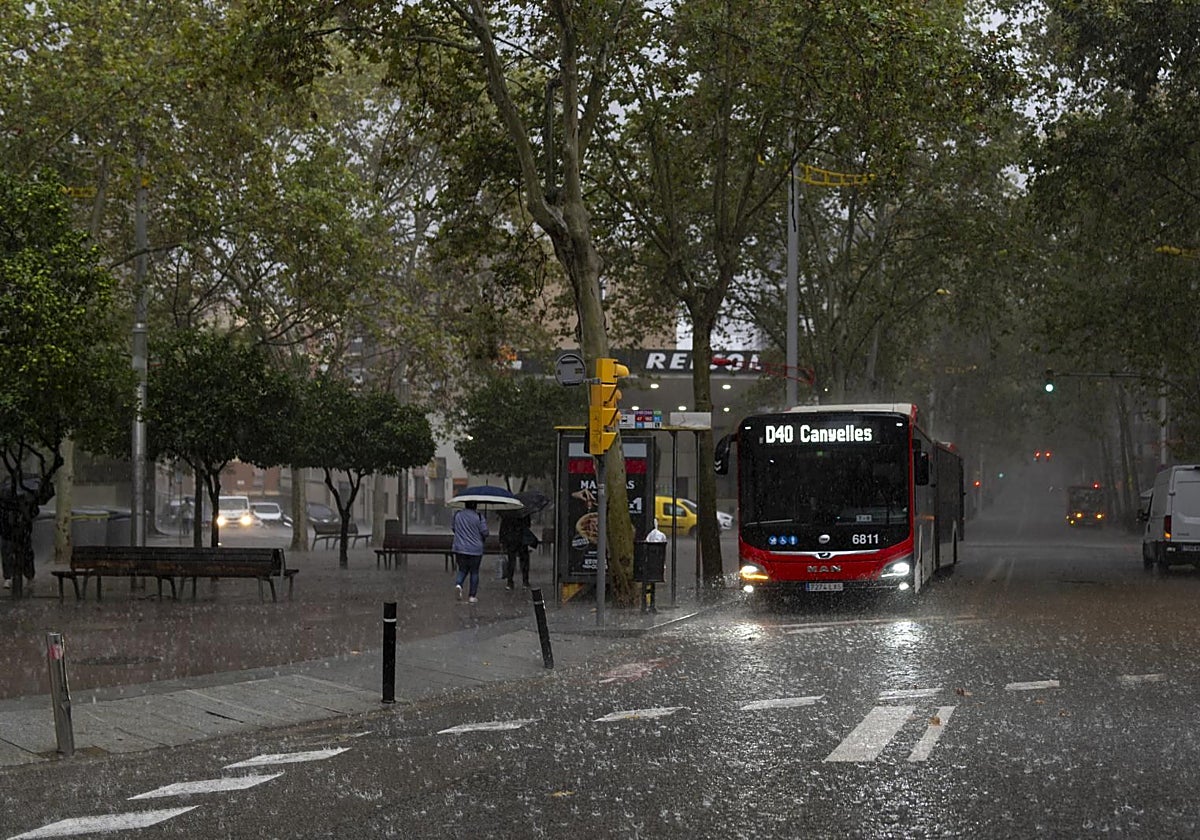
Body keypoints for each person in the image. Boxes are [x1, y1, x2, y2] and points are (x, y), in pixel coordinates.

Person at [451, 500, 489, 604]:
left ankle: (459, 584)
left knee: (462, 569)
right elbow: (485, 532)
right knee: (474, 572)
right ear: (475, 505)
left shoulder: (457, 515)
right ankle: (472, 596)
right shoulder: (479, 517)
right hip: (475, 549)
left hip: (460, 548)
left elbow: (454, 528)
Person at [500, 513, 534, 590]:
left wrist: (502, 540)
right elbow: (528, 525)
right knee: (524, 561)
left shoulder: (507, 513)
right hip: (521, 540)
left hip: (511, 540)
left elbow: (503, 527)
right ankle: (525, 581)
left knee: (511, 561)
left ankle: (510, 582)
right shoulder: (524, 513)